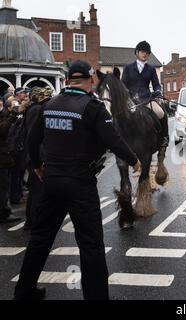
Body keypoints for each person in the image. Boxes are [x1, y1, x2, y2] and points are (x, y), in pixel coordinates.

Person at [14, 61, 142, 300]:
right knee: (90, 245)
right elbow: (113, 140)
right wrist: (135, 161)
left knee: (40, 239)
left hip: (51, 181)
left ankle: (24, 291)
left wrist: (39, 167)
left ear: (68, 81)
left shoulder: (49, 105)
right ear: (91, 79)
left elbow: (32, 141)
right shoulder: (93, 107)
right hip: (80, 183)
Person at [122, 41, 169, 148]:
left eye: (147, 53)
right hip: (130, 99)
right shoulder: (128, 68)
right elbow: (123, 85)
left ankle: (164, 137)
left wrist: (157, 91)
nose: (145, 54)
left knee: (161, 112)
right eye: (143, 52)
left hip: (146, 99)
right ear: (137, 53)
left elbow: (156, 84)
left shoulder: (151, 69)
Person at [23, 87, 53, 230]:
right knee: (38, 192)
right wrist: (41, 160)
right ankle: (34, 222)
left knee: (35, 191)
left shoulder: (32, 109)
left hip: (34, 154)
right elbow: (35, 137)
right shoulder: (36, 110)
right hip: (38, 156)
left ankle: (31, 220)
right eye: (46, 99)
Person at [0, 96, 21, 224]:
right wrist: (13, 114)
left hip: (5, 156)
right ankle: (3, 213)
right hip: (2, 157)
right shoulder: (6, 116)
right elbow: (3, 130)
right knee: (3, 186)